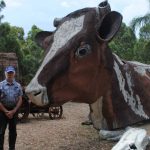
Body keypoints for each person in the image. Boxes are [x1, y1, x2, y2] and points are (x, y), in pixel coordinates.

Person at [0, 66, 23, 150]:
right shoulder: (0, 85)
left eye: (11, 73)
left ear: (14, 74)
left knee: (13, 131)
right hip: (2, 111)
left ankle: (12, 148)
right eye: (8, 73)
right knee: (1, 132)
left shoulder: (18, 86)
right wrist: (6, 111)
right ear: (5, 74)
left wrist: (14, 111)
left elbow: (20, 99)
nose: (10, 74)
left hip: (14, 110)